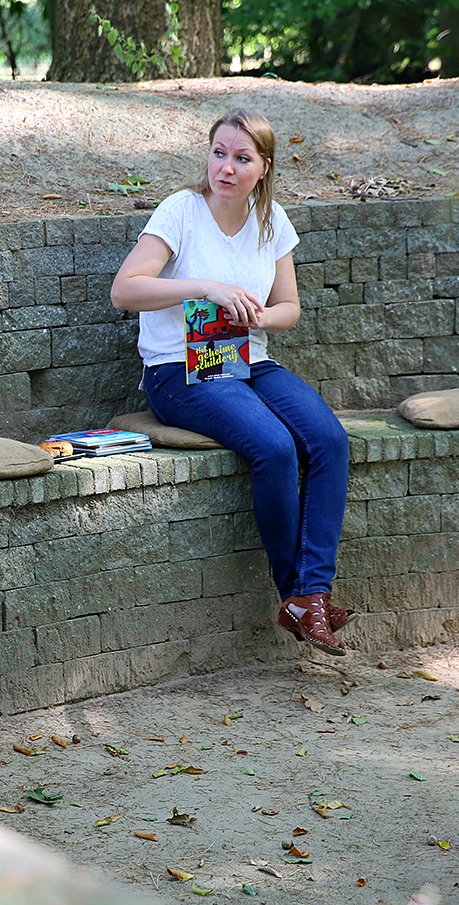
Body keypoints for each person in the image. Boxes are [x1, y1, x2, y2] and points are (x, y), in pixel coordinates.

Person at [109, 108, 355, 656]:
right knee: (275, 448)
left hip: (249, 359)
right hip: (178, 369)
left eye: (242, 158)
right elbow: (125, 290)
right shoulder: (181, 211)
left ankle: (312, 594)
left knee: (329, 440)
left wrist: (258, 316)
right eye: (219, 153)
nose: (226, 167)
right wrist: (206, 287)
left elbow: (289, 307)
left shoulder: (273, 222)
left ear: (264, 167)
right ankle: (296, 595)